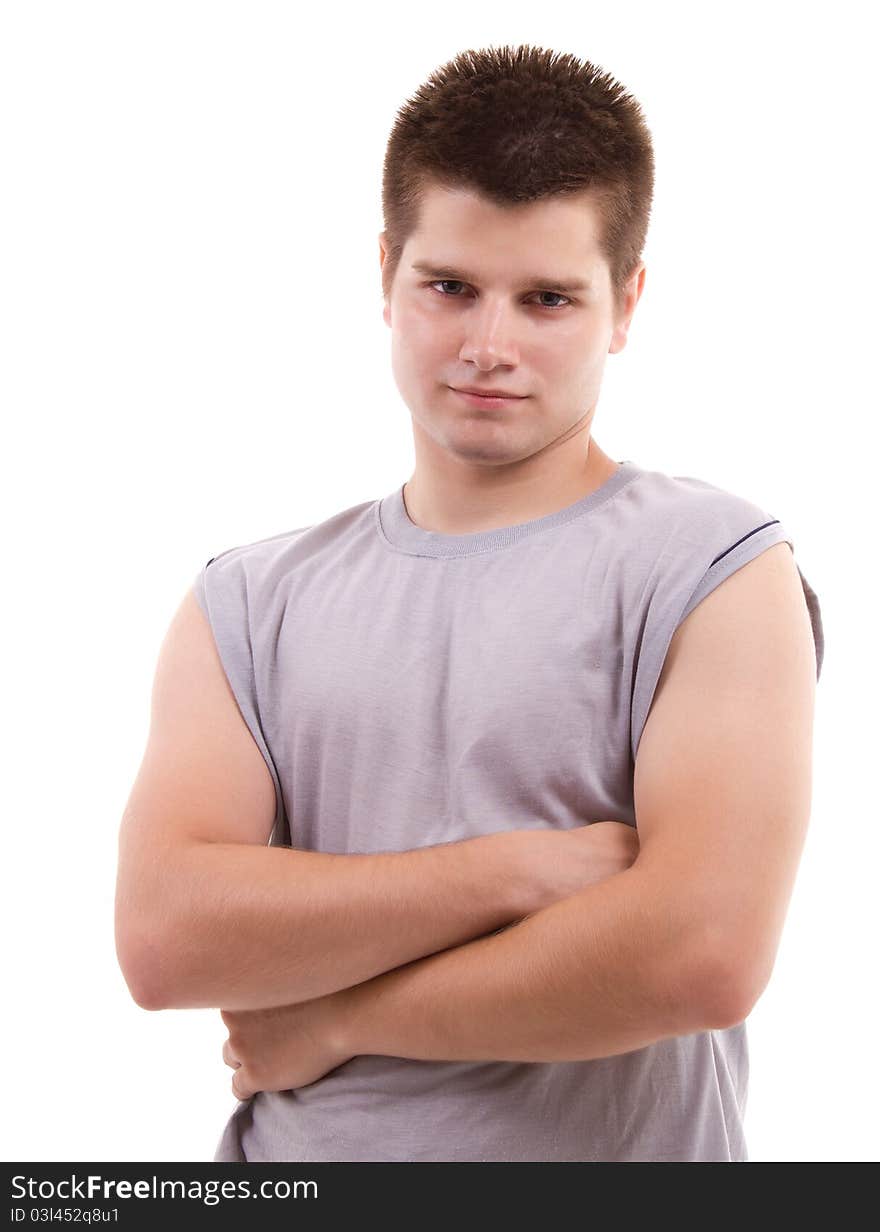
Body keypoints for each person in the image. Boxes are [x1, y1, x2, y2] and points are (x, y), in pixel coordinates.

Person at [114, 43, 824, 1163]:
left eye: (546, 298)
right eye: (449, 286)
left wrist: (341, 1015)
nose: (487, 347)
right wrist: (518, 870)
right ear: (386, 272)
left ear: (625, 303)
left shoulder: (717, 565)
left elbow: (700, 952)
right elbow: (165, 936)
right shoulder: (246, 601)